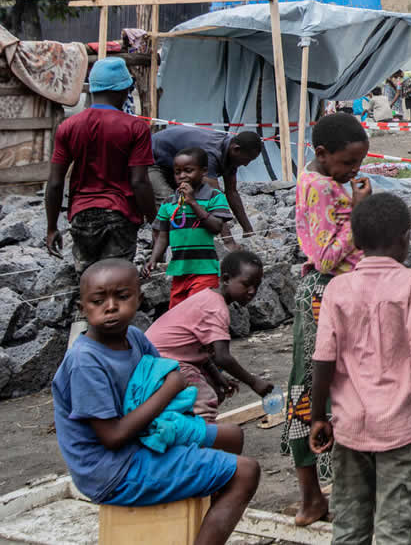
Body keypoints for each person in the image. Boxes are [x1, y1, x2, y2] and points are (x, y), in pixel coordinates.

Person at [52, 259, 259, 537]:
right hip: (112, 470)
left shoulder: (135, 338)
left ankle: (198, 509)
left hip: (143, 437)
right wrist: (170, 389)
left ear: (139, 298)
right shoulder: (85, 361)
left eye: (122, 297)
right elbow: (112, 437)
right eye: (98, 300)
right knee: (245, 473)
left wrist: (176, 401)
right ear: (82, 307)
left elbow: (166, 375)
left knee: (233, 435)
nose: (110, 306)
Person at [308, 194, 411, 545]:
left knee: (349, 523)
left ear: (355, 241)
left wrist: (316, 416)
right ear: (405, 237)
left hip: (349, 421)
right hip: (398, 421)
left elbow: (322, 359)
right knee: (395, 524)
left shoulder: (337, 287)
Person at [283, 112, 370, 528]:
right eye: (349, 164)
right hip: (324, 296)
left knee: (340, 387)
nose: (355, 172)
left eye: (359, 164)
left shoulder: (327, 181)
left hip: (341, 292)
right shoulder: (318, 189)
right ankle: (311, 497)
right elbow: (325, 256)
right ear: (322, 153)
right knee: (312, 390)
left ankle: (332, 492)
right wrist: (358, 213)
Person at [45, 57, 155, 267]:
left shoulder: (68, 127)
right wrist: (155, 222)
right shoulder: (135, 128)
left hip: (81, 215)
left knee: (89, 286)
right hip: (120, 215)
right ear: (123, 90)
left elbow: (55, 182)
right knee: (117, 285)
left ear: (94, 89)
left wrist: (51, 228)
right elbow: (139, 182)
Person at [146, 249, 272, 421]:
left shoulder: (207, 297)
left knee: (215, 388)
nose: (252, 291)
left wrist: (216, 376)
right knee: (205, 400)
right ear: (226, 279)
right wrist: (254, 382)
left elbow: (201, 350)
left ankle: (181, 425)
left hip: (159, 358)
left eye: (256, 286)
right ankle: (204, 439)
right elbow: (222, 357)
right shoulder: (216, 308)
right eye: (247, 284)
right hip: (166, 362)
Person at [143, 148, 233, 307]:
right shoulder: (169, 202)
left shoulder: (214, 196)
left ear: (204, 171)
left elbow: (216, 226)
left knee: (198, 311)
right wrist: (153, 259)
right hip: (179, 272)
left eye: (188, 171)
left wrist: (192, 202)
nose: (182, 176)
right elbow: (163, 236)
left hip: (204, 270)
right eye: (177, 172)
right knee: (178, 314)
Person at [148, 127, 261, 237]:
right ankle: (164, 243)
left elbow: (232, 192)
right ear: (236, 149)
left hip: (176, 164)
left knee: (187, 200)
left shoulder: (231, 156)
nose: (246, 164)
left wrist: (248, 231)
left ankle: (183, 239)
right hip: (152, 157)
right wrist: (228, 240)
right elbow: (215, 199)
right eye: (247, 159)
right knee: (168, 199)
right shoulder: (211, 153)